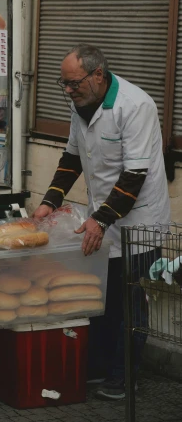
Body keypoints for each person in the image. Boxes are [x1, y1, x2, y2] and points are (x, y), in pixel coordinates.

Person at [33, 44, 170, 401]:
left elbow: (135, 173)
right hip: (103, 218)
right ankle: (99, 368)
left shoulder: (135, 105)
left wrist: (100, 219)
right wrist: (49, 201)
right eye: (62, 84)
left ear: (98, 75)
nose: (68, 90)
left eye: (73, 82)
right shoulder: (79, 104)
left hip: (138, 221)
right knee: (102, 299)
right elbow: (71, 157)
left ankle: (124, 378)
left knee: (130, 303)